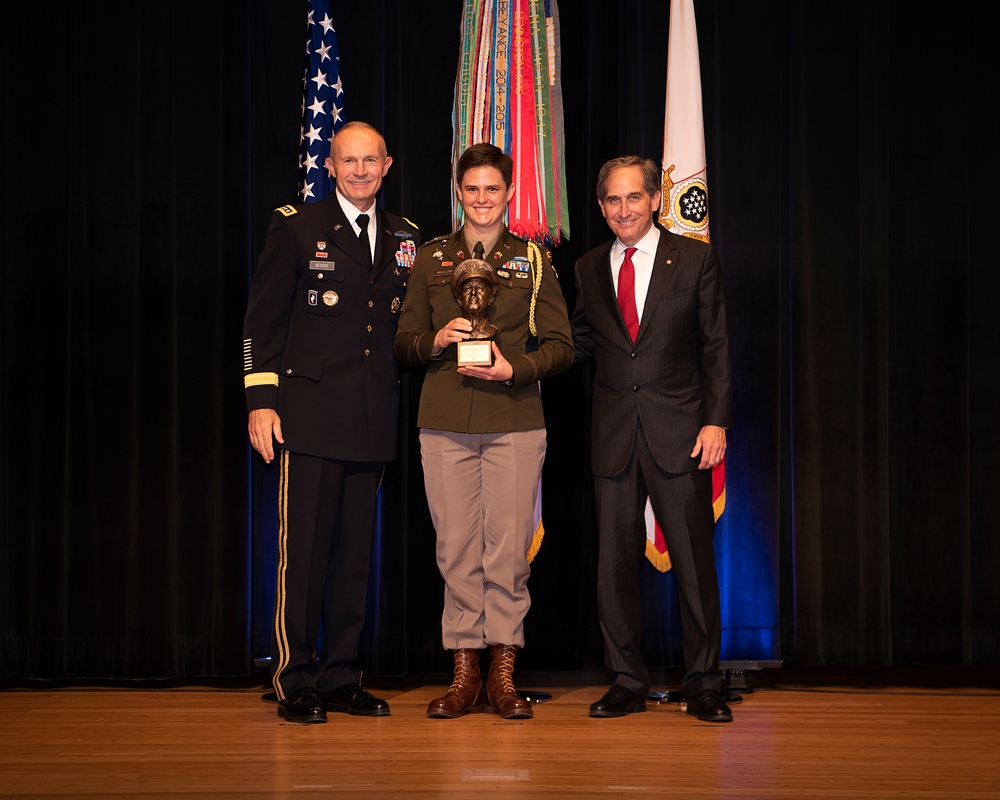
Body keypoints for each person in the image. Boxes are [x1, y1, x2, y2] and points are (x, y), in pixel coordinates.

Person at [243, 121, 419, 724]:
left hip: (372, 417)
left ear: (387, 165)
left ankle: (343, 675)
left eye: (371, 160)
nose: (361, 170)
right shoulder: (297, 226)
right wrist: (260, 400)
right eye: (350, 161)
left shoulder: (404, 236)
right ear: (331, 166)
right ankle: (294, 677)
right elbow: (260, 323)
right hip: (309, 418)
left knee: (354, 559)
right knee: (305, 554)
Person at [394, 142, 573, 720]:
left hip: (514, 419)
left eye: (492, 188)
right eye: (471, 188)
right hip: (444, 419)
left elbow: (562, 348)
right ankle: (463, 671)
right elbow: (403, 345)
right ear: (458, 192)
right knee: (455, 550)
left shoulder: (534, 260)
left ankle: (503, 671)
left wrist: (512, 369)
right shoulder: (431, 258)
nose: (482, 199)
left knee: (507, 553)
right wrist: (437, 342)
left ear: (510, 192)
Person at [571, 155, 734, 723]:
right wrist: (517, 358)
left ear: (656, 200)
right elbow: (582, 340)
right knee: (613, 569)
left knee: (693, 563)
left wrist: (716, 421)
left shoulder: (695, 259)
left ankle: (705, 683)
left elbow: (715, 347)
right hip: (613, 435)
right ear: (600, 206)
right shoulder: (589, 267)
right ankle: (626, 681)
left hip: (680, 433)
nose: (623, 210)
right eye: (612, 201)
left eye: (633, 198)